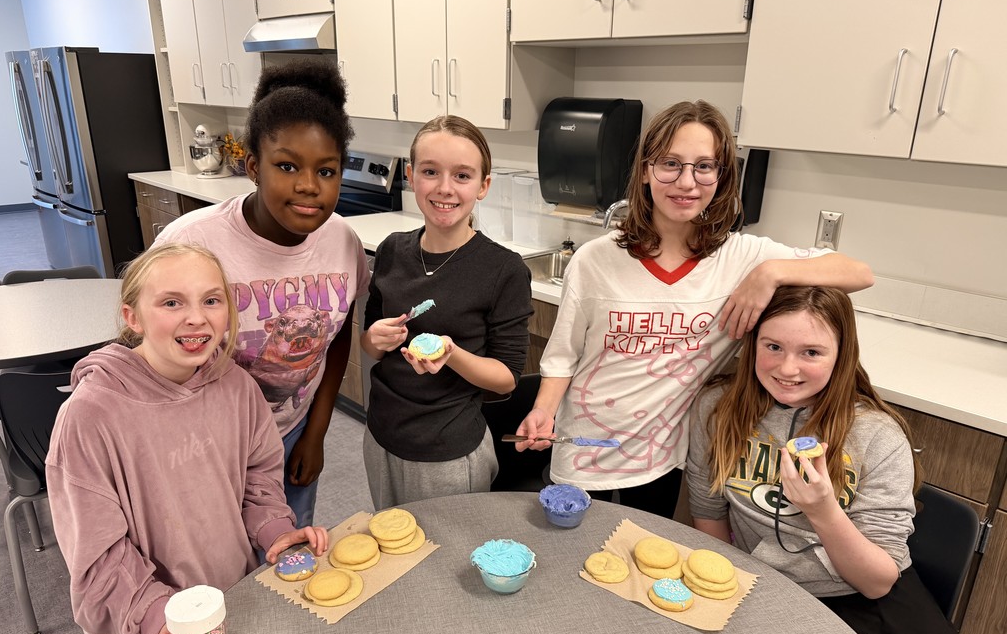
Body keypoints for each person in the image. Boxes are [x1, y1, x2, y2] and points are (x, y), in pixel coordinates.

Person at [514, 100, 873, 518]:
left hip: (660, 460)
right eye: (671, 163)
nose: (687, 182)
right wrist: (542, 411)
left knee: (636, 564)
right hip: (582, 450)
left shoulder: (743, 258)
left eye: (704, 166)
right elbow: (562, 356)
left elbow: (859, 272)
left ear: (721, 178)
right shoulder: (594, 260)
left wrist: (771, 272)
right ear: (646, 170)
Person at [685, 285, 1005, 634]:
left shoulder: (877, 435)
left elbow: (878, 580)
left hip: (867, 594)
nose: (787, 367)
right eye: (772, 346)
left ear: (842, 356)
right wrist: (729, 587)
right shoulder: (717, 409)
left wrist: (823, 511)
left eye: (811, 352)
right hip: (766, 588)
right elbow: (708, 514)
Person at [46, 243, 329, 634]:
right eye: (172, 302)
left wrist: (274, 529)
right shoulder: (90, 416)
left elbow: (257, 475)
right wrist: (156, 615)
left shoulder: (235, 385)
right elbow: (97, 553)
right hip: (157, 633)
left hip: (235, 597)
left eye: (211, 301)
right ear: (132, 317)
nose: (196, 318)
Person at [156, 58, 370, 528]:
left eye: (327, 171)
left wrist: (316, 433)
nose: (308, 186)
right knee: (214, 567)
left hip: (290, 435)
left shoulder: (343, 244)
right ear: (254, 166)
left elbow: (334, 343)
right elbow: (149, 358)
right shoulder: (191, 243)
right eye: (287, 166)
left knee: (286, 563)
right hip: (204, 444)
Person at [361, 115, 532, 507]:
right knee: (393, 551)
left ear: (483, 186)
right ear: (411, 176)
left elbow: (505, 379)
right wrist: (374, 338)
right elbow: (370, 345)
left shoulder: (502, 270)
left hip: (448, 450)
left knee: (447, 559)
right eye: (430, 171)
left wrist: (451, 354)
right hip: (382, 435)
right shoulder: (391, 250)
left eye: (462, 176)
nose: (444, 188)